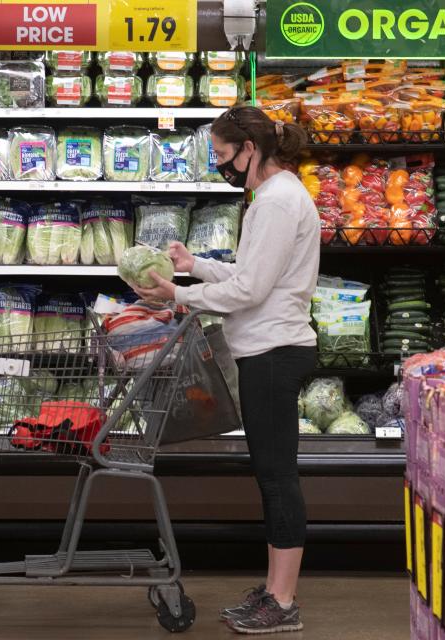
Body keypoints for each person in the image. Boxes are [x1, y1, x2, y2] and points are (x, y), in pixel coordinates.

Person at [131, 106, 319, 634]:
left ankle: (281, 603)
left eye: (221, 154)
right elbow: (251, 272)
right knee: (271, 473)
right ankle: (275, 589)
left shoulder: (279, 201)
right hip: (268, 349)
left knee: (278, 476)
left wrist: (178, 294)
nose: (219, 164)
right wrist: (194, 265)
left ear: (250, 150)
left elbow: (249, 291)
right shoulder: (274, 196)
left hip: (275, 352)